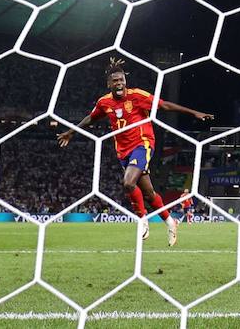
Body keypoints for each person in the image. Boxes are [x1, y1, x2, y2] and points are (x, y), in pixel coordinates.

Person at [58, 56, 214, 247]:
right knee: (149, 193)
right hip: (123, 151)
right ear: (109, 83)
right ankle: (170, 221)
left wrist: (194, 112)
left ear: (126, 81)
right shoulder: (104, 102)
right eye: (115, 80)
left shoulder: (137, 96)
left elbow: (164, 105)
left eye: (121, 80)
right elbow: (91, 118)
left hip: (143, 144)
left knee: (128, 182)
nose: (119, 83)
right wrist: (71, 132)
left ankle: (142, 220)